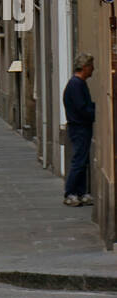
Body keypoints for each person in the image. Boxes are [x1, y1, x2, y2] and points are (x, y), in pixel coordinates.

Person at [63, 53, 95, 207]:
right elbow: (82, 108)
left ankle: (81, 192)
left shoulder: (77, 83)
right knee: (79, 161)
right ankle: (70, 193)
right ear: (85, 67)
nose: (93, 69)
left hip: (80, 126)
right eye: (91, 66)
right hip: (79, 127)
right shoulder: (76, 85)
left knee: (82, 161)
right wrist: (94, 112)